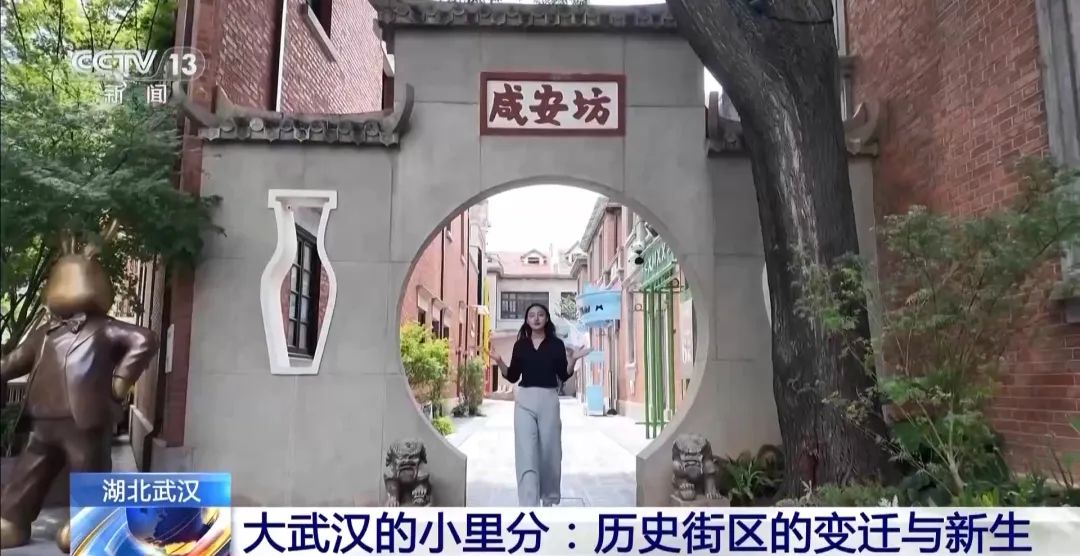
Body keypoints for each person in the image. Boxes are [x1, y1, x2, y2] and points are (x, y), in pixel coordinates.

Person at [489, 303, 590, 507]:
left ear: (546, 319)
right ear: (527, 320)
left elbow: (563, 374)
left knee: (550, 452)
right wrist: (499, 361)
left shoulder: (556, 345)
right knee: (526, 453)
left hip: (548, 400)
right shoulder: (521, 345)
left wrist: (573, 360)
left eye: (540, 315)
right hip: (524, 401)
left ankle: (549, 498)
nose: (536, 318)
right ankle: (528, 503)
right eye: (532, 315)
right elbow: (513, 375)